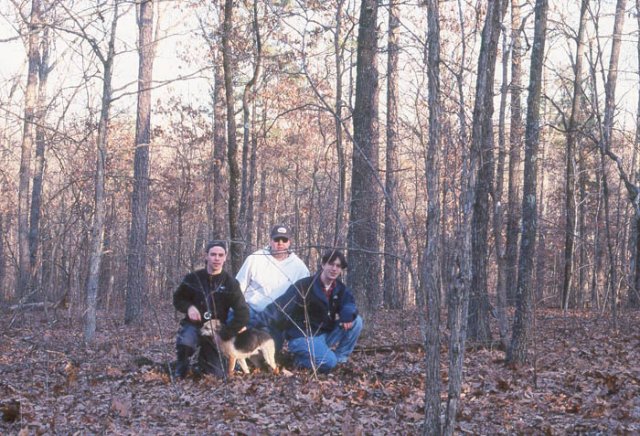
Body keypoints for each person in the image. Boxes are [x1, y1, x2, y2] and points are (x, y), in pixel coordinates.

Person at [255, 250, 363, 373]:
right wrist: (255, 323)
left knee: (357, 321)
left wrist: (347, 315)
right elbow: (280, 307)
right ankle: (300, 361)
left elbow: (349, 304)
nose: (334, 269)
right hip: (302, 337)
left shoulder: (339, 288)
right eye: (331, 264)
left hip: (324, 335)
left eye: (338, 266)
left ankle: (340, 358)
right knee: (329, 362)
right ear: (323, 265)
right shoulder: (305, 286)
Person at [172, 240, 249, 379]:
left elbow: (243, 313)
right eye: (213, 254)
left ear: (225, 257)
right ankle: (181, 366)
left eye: (220, 255)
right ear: (206, 256)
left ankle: (202, 364)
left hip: (216, 331)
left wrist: (225, 333)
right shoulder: (193, 278)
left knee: (216, 375)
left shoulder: (230, 283)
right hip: (194, 325)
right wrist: (189, 307)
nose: (217, 258)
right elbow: (177, 299)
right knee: (186, 342)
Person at [235, 224, 309, 348]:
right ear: (270, 241)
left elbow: (303, 300)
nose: (280, 243)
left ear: (289, 242)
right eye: (276, 239)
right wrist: (239, 312)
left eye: (284, 240)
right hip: (251, 311)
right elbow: (238, 288)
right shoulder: (255, 259)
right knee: (233, 327)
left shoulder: (300, 268)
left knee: (272, 349)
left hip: (276, 319)